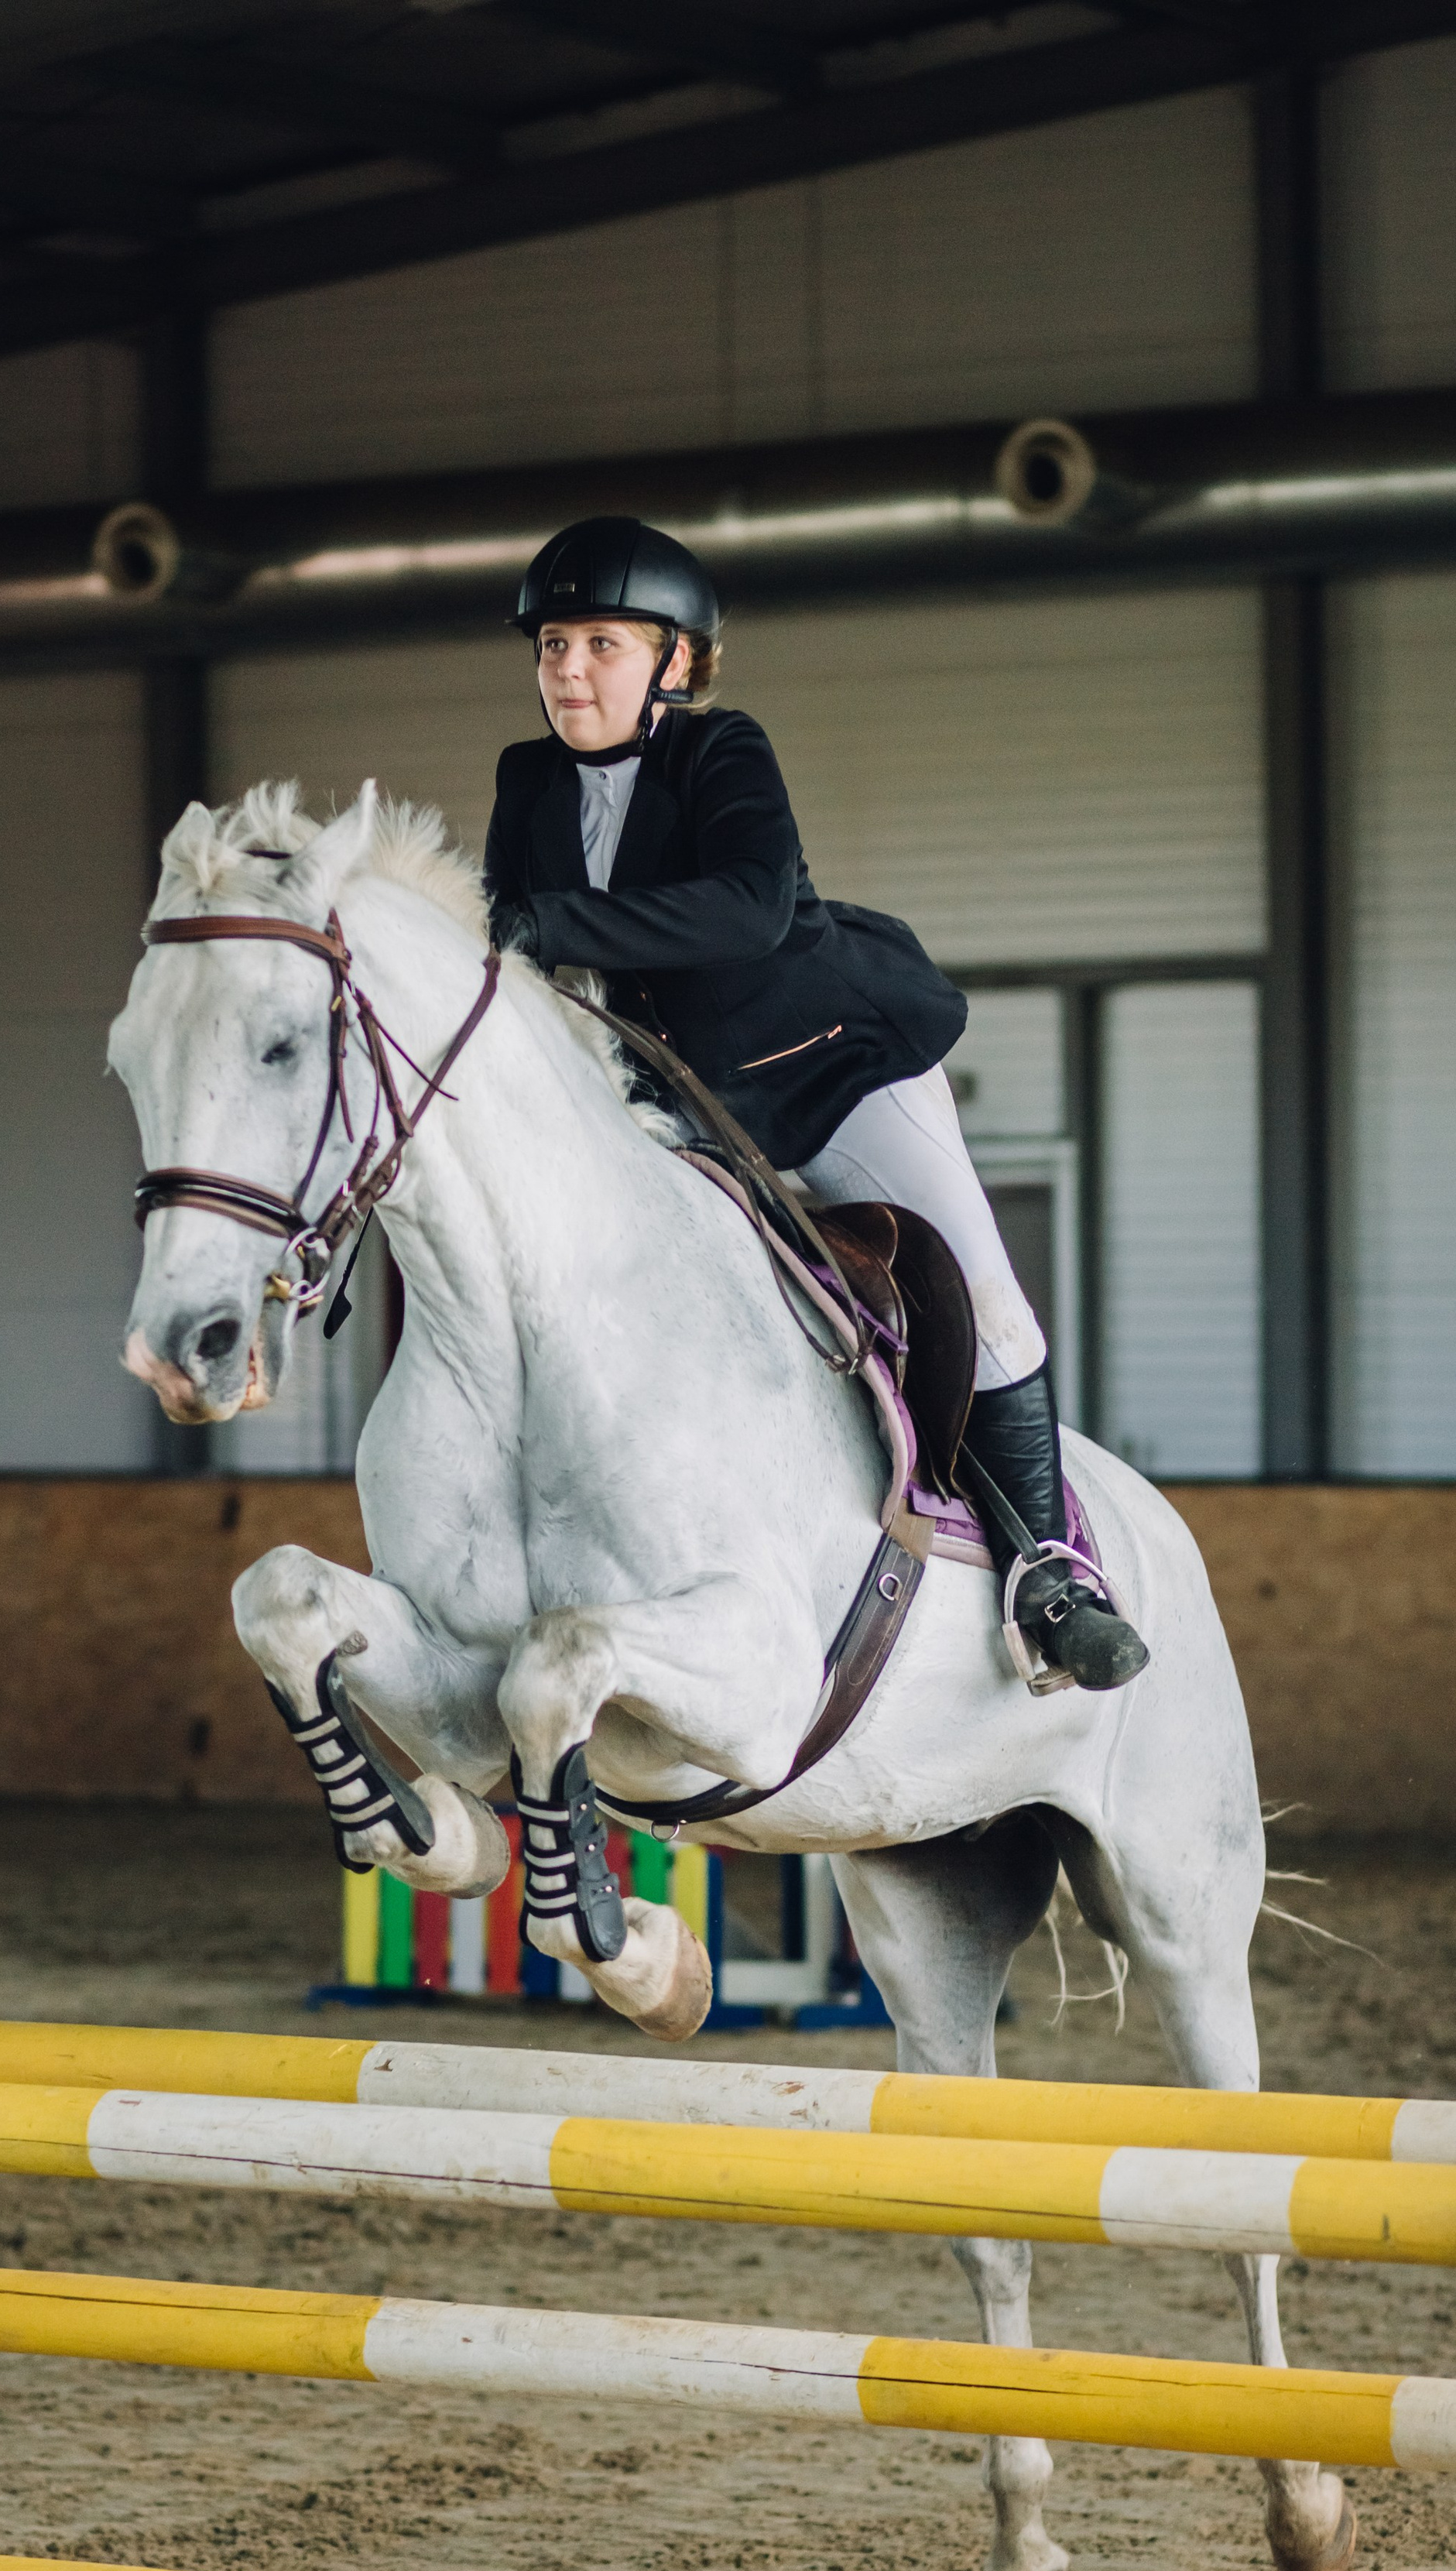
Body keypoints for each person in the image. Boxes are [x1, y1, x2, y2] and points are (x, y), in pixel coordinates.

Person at [483, 515, 1146, 1694]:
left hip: (832, 1065)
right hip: (679, 1100)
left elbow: (747, 907)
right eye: (551, 647)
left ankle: (1054, 1573)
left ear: (673, 663)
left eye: (600, 644)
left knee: (979, 1295)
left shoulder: (723, 752)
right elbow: (501, 941)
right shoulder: (525, 777)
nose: (569, 671)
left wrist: (551, 924)